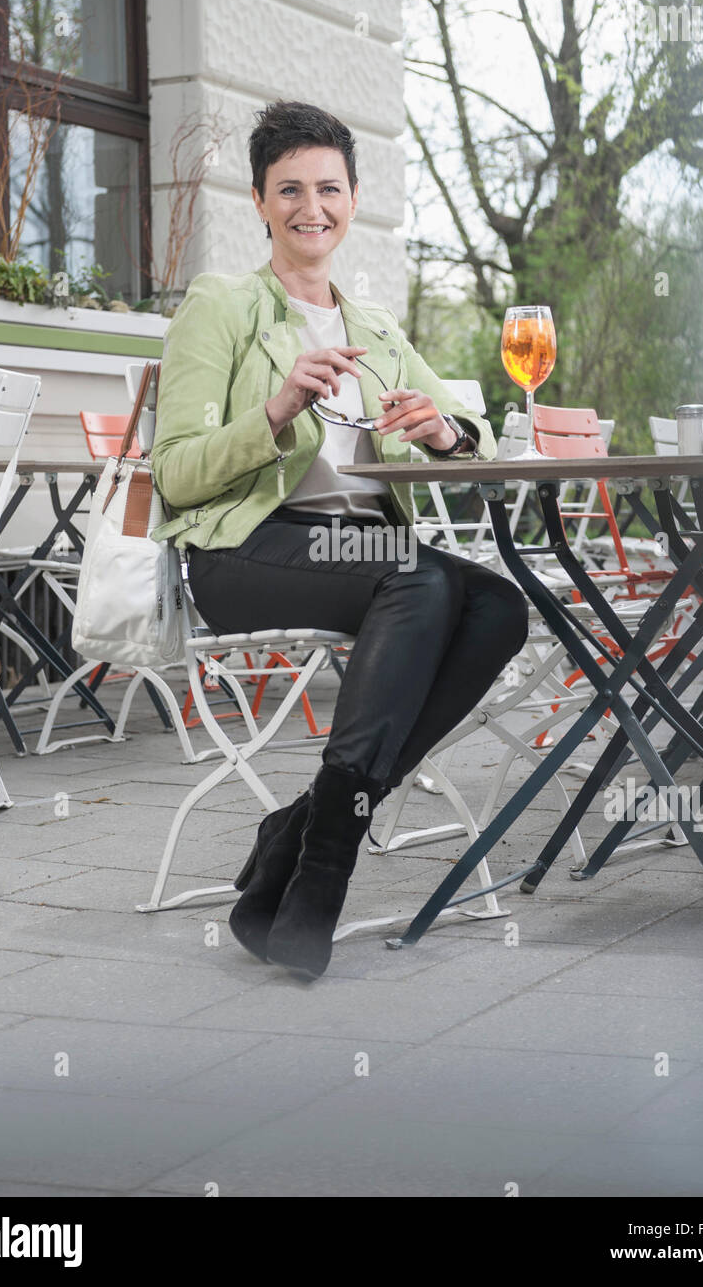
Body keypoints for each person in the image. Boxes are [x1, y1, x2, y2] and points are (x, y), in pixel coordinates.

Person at [151, 100, 529, 979]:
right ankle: (324, 866)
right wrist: (277, 409)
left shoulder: (379, 332)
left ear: (353, 201)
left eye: (328, 188)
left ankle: (306, 826)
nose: (309, 206)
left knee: (500, 606)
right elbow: (174, 472)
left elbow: (473, 428)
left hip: (359, 557)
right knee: (418, 578)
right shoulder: (224, 306)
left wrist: (442, 433)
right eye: (289, 189)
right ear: (258, 201)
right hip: (246, 550)